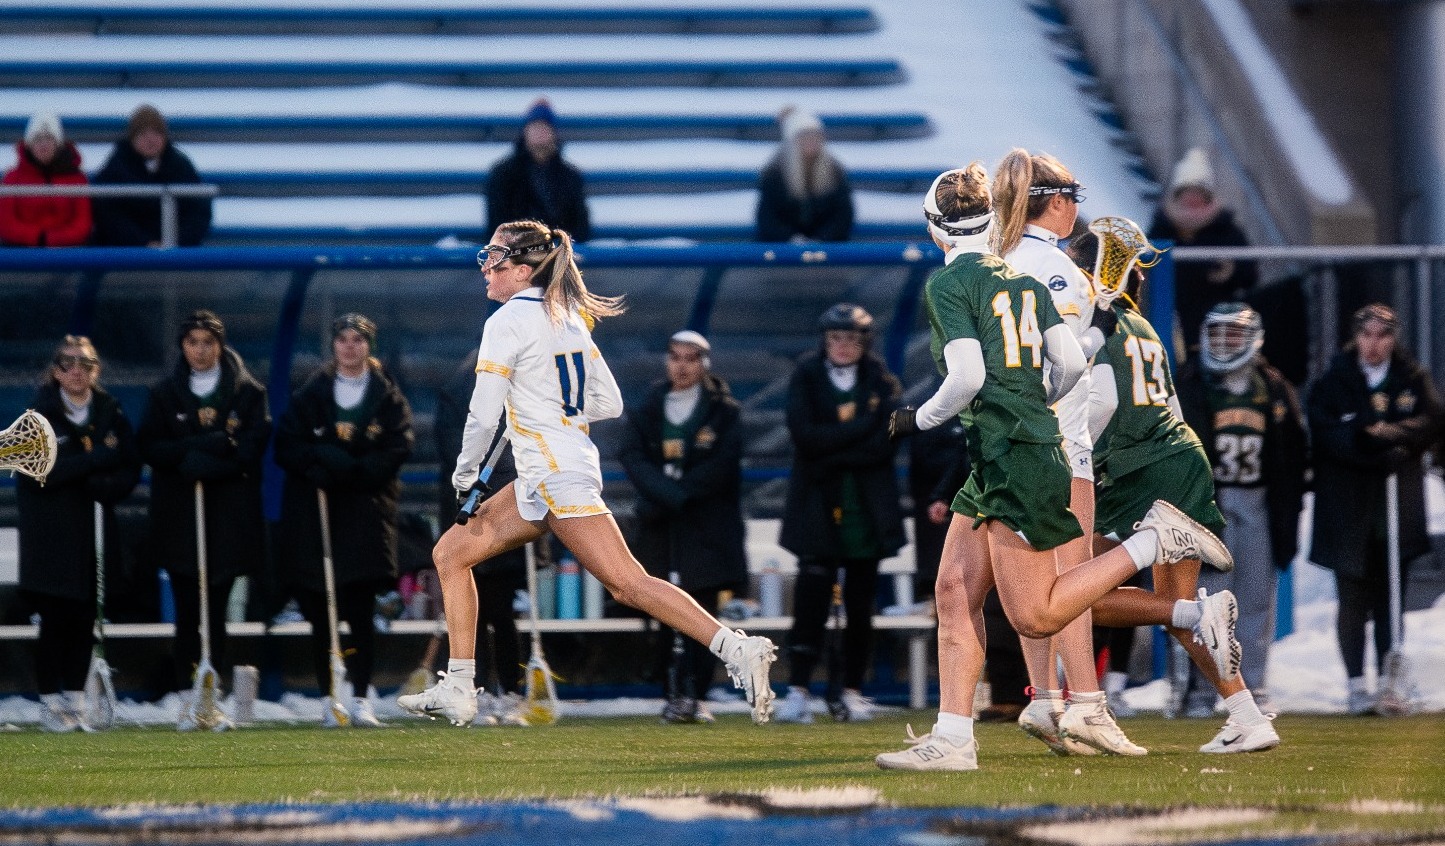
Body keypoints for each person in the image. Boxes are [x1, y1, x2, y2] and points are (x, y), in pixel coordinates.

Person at [874, 165, 1233, 772]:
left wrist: (918, 419)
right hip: (1007, 453)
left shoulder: (962, 279)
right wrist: (1033, 400)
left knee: (1036, 611)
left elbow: (967, 376)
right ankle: (957, 735)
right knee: (954, 590)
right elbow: (1070, 363)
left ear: (934, 227)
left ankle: (1151, 547)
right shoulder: (1028, 277)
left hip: (1025, 453)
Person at [397, 219, 776, 728]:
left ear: (523, 268)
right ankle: (460, 686)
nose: (485, 266)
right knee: (450, 553)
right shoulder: (568, 317)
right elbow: (608, 402)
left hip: (556, 476)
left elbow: (483, 417)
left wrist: (467, 473)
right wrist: (550, 409)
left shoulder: (508, 321)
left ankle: (736, 647)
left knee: (628, 584)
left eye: (494, 257)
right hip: (545, 474)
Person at [1077, 234, 1276, 754]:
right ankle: (1248, 716)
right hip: (1176, 460)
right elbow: (1169, 405)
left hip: (1138, 471)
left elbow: (1101, 403)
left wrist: (1068, 456)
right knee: (1172, 606)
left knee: (1068, 595)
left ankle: (1069, 705)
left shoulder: (1098, 325)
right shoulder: (1140, 324)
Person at [991, 148, 1141, 755]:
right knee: (1071, 582)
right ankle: (1087, 704)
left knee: (1024, 588)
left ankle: (1045, 699)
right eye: (1072, 197)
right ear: (1055, 202)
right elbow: (1069, 363)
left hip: (1003, 446)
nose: (1077, 209)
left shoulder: (998, 260)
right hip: (1056, 443)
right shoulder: (1053, 267)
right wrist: (1105, 314)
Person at [273, 314, 414, 727]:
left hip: (365, 516)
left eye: (358, 340)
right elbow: (286, 445)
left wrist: (359, 470)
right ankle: (328, 696)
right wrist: (317, 461)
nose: (350, 347)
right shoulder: (311, 394)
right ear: (333, 345)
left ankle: (361, 697)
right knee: (322, 614)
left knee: (360, 612)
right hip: (319, 517)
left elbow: (399, 445)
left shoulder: (388, 397)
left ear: (369, 346)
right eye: (343, 339)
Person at [1306, 303, 1444, 714]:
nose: (1374, 344)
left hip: (1395, 505)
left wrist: (1394, 436)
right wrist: (1369, 445)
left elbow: (1432, 420)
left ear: (1393, 339)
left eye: (1383, 335)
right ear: (1356, 337)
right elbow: (1327, 431)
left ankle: (1389, 681)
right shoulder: (1334, 380)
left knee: (1391, 595)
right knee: (1352, 596)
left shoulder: (1411, 377)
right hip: (1347, 508)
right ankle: (1355, 684)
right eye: (1367, 335)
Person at [773, 304, 904, 724]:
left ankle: (851, 690)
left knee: (861, 606)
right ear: (824, 341)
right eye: (835, 338)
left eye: (851, 338)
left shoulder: (884, 381)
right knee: (810, 601)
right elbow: (803, 436)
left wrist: (833, 446)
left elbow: (888, 442)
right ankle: (798, 690)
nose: (843, 346)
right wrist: (862, 428)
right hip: (816, 504)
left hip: (866, 508)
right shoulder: (805, 375)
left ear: (865, 341)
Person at [1176, 303, 1308, 714]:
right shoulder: (1191, 381)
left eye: (1233, 333)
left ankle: (1254, 686)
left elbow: (1293, 449)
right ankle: (1202, 688)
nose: (1224, 342)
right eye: (1218, 333)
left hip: (1257, 500)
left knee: (1254, 599)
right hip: (1207, 502)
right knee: (1206, 599)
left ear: (1253, 338)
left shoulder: (1273, 386)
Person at [137, 310, 270, 701]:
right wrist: (190, 451)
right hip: (180, 515)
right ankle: (184, 691)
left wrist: (217, 464)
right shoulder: (163, 393)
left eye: (207, 342)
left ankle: (213, 688)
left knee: (216, 609)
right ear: (182, 346)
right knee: (187, 610)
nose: (199, 350)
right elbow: (149, 446)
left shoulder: (248, 392)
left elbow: (253, 447)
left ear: (220, 345)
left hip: (228, 517)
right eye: (192, 342)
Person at [617, 330, 748, 724]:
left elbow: (723, 465)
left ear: (704, 363)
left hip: (706, 527)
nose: (682, 366)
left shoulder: (725, 411)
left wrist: (677, 494)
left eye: (691, 358)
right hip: (659, 525)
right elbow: (631, 455)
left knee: (703, 609)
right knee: (660, 604)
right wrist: (667, 495)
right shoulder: (648, 407)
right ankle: (671, 692)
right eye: (675, 357)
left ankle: (698, 694)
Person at [16, 337, 141, 731]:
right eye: (67, 363)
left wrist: (110, 485)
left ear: (95, 370)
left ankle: (76, 699)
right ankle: (50, 703)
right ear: (56, 371)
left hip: (94, 533)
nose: (76, 371)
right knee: (55, 621)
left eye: (85, 364)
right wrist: (90, 463)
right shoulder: (37, 417)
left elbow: (129, 463)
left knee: (85, 621)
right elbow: (37, 473)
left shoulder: (110, 411)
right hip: (51, 537)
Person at [435, 347, 529, 724]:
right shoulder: (457, 393)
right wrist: (478, 483)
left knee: (501, 611)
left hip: (508, 510)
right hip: (468, 510)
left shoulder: (519, 388)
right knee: (476, 610)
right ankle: (478, 690)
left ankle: (510, 691)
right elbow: (453, 449)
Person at [1146, 147, 1255, 353]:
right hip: (1169, 317)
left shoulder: (1227, 231)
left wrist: (1232, 271)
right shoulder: (1161, 228)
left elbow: (1249, 274)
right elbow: (1146, 266)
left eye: (1198, 192)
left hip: (1217, 324)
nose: (1193, 198)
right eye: (1187, 192)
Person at [91, 104, 212, 247]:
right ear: (132, 138)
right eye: (143, 134)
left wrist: (177, 243)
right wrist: (143, 242)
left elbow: (198, 212)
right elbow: (109, 215)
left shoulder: (180, 165)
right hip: (127, 253)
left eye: (157, 133)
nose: (150, 140)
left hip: (175, 251)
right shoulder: (116, 167)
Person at [485, 99, 590, 242]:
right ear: (525, 132)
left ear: (553, 133)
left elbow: (580, 227)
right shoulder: (502, 175)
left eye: (544, 128)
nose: (540, 134)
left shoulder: (570, 176)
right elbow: (497, 225)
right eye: (535, 128)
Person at [755, 107, 854, 243]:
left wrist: (822, 238)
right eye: (805, 137)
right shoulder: (774, 173)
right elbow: (768, 217)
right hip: (783, 246)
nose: (811, 142)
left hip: (827, 245)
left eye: (815, 137)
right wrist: (791, 239)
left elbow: (843, 215)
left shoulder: (834, 171)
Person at [0, 111, 92, 247]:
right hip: (22, 251)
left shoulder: (77, 179)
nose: (43, 144)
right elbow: (6, 224)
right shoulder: (12, 178)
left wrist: (54, 239)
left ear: (58, 144)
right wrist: (38, 238)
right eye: (37, 139)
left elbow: (83, 223)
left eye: (49, 138)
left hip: (68, 251)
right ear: (29, 144)